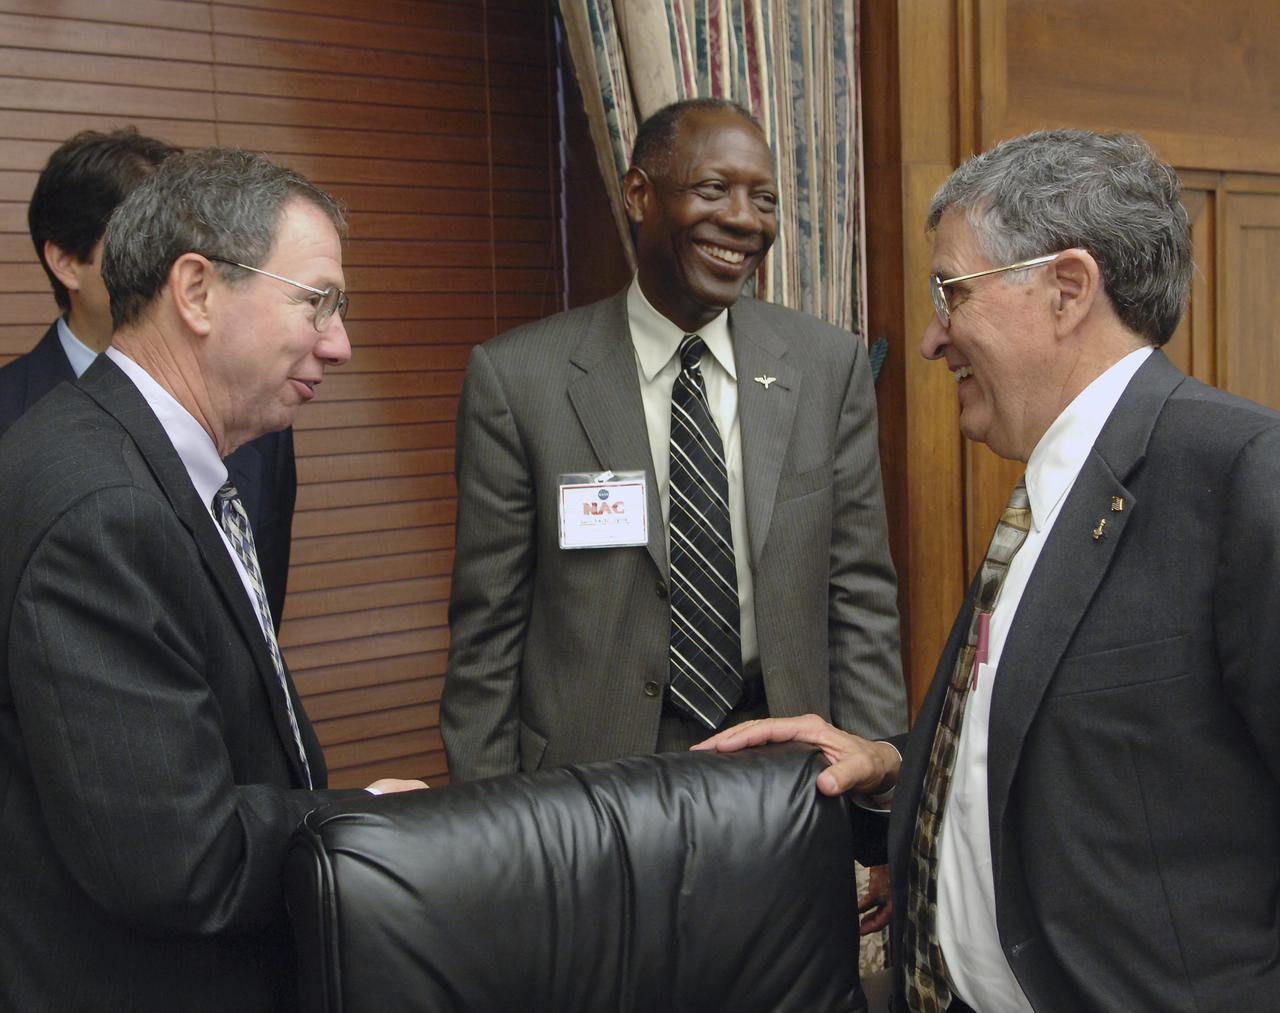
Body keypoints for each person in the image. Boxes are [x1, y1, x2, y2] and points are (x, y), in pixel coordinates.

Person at [699, 129, 1280, 1011]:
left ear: (1067, 289)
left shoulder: (1240, 474)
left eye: (950, 292)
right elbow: (1082, 752)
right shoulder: (1048, 488)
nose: (932, 338)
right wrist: (895, 766)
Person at [0, 148, 425, 1011]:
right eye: (317, 302)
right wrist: (357, 819)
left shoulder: (151, 458)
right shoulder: (103, 506)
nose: (339, 344)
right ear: (196, 291)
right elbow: (174, 856)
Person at [441, 97, 904, 783]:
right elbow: (488, 634)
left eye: (765, 199)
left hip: (787, 775)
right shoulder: (520, 380)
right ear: (639, 194)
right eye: (713, 189)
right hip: (588, 785)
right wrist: (489, 829)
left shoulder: (826, 366)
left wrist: (877, 796)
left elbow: (859, 593)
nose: (743, 219)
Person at [0, 127, 297, 627]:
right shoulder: (9, 418)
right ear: (67, 262)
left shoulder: (255, 411)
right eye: (137, 238)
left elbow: (262, 622)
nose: (174, 266)